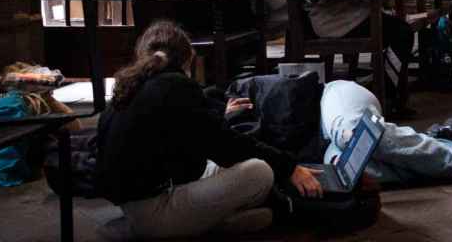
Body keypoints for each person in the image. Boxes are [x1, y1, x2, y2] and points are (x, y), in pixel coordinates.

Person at [95, 21, 323, 239]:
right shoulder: (176, 85)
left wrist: (214, 118)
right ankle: (219, 225)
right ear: (188, 59)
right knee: (259, 171)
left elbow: (178, 141)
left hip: (133, 210)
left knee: (223, 167)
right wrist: (289, 167)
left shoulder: (132, 87)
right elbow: (226, 149)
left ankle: (216, 220)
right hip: (156, 214)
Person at [320, 80, 452, 185]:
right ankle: (433, 144)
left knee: (352, 134)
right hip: (322, 148)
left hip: (329, 103)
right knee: (346, 174)